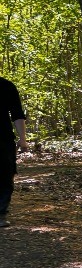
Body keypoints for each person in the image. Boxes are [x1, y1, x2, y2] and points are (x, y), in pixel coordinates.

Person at [0, 76, 28, 228]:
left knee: (5, 174)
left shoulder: (6, 86)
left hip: (3, 138)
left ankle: (1, 213)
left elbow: (17, 113)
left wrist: (23, 139)